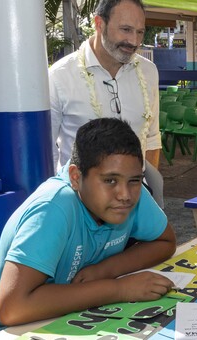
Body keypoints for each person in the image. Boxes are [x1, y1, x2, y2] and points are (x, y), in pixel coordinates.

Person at [0, 118, 177, 332]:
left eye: (134, 180)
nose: (125, 195)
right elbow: (10, 309)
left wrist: (104, 270)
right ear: (76, 177)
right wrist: (118, 289)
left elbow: (166, 241)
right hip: (13, 330)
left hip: (76, 316)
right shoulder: (53, 209)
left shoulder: (130, 193)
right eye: (110, 181)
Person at [49, 0, 165, 207]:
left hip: (135, 202)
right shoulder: (60, 76)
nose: (134, 41)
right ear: (99, 23)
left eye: (140, 32)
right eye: (126, 30)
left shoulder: (148, 71)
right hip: (81, 205)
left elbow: (152, 137)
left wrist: (139, 189)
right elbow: (49, 152)